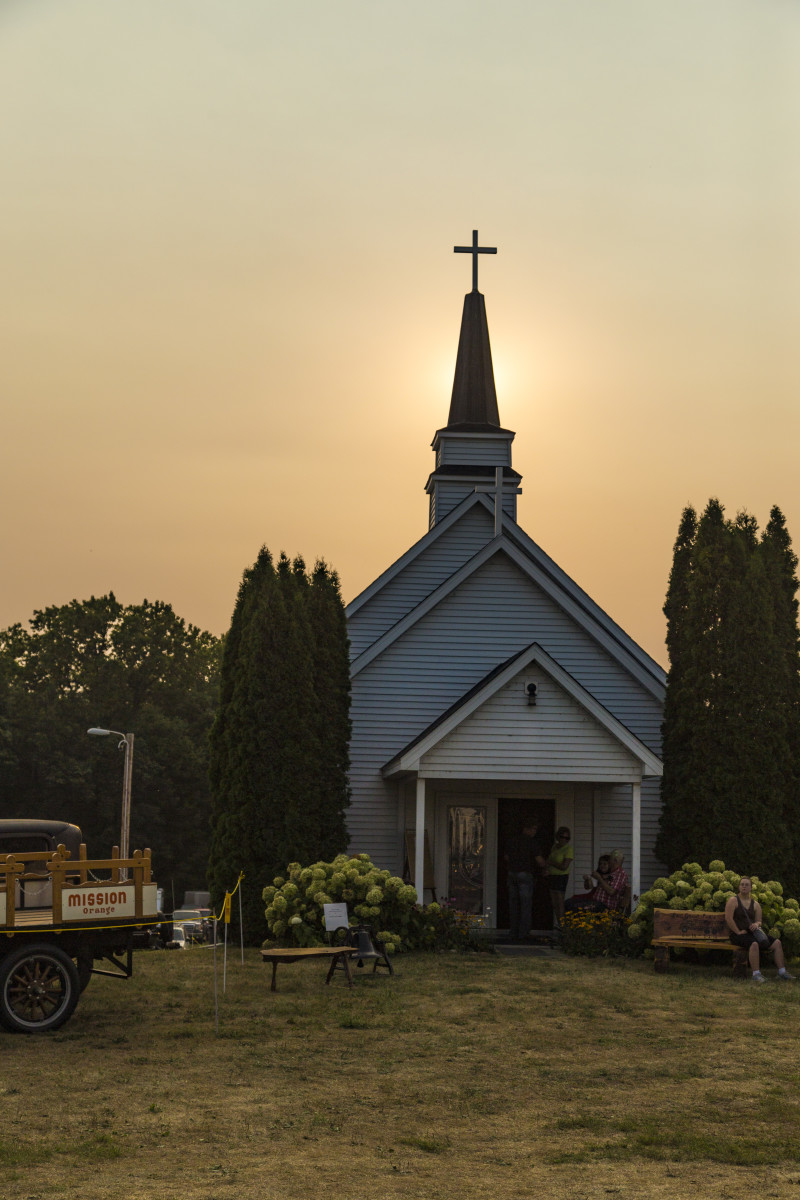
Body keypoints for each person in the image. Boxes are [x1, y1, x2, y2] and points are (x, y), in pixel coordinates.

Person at [724, 875, 794, 984]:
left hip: (752, 933)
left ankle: (782, 972)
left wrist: (756, 924)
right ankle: (756, 974)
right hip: (737, 934)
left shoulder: (755, 904)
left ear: (751, 888)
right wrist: (738, 931)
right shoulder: (733, 901)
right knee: (754, 944)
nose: (744, 886)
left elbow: (759, 921)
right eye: (742, 884)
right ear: (739, 887)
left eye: (747, 885)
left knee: (777, 942)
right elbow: (728, 918)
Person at [505, 822, 547, 942]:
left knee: (513, 904)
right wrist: (545, 866)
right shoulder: (531, 842)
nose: (534, 832)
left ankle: (513, 932)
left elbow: (506, 857)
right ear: (526, 828)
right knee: (525, 905)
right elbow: (539, 861)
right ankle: (523, 933)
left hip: (512, 873)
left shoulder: (512, 841)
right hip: (525, 874)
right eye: (533, 828)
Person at [546, 827, 573, 927]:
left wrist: (551, 863)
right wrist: (547, 869)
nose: (564, 840)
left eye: (567, 838)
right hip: (552, 876)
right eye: (562, 837)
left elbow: (564, 866)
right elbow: (549, 860)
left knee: (560, 901)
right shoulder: (554, 847)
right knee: (554, 902)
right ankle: (559, 923)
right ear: (558, 837)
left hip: (561, 877)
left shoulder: (568, 849)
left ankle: (563, 925)